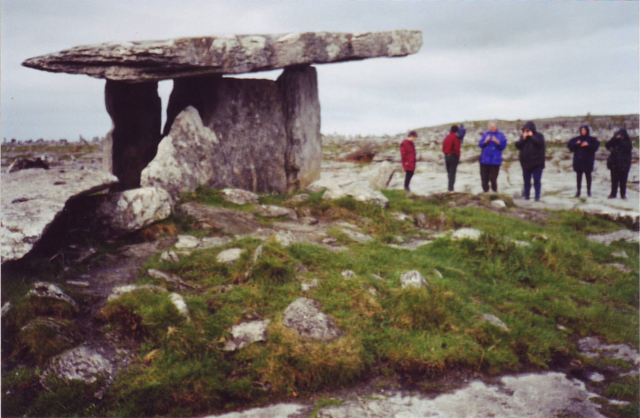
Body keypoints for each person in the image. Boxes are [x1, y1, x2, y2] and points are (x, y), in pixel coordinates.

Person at [515, 121, 546, 201]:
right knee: (526, 181)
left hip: (537, 163)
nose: (526, 132)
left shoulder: (539, 136)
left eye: (527, 130)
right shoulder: (523, 137)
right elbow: (518, 146)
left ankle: (537, 197)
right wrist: (523, 139)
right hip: (526, 163)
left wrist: (532, 137)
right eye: (524, 130)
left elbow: (540, 143)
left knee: (536, 180)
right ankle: (526, 196)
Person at [567, 125, 600, 197]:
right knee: (579, 177)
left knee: (588, 176)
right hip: (579, 161)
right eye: (582, 130)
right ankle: (578, 192)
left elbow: (596, 147)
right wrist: (576, 144)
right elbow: (569, 145)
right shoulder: (577, 139)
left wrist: (588, 145)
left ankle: (589, 192)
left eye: (584, 130)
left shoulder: (592, 139)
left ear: (587, 131)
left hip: (588, 161)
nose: (583, 132)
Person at [478, 121, 507, 193]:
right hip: (485, 159)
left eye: (493, 127)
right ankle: (485, 192)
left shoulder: (501, 135)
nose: (492, 128)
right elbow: (480, 145)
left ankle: (494, 192)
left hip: (495, 160)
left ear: (496, 127)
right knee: (484, 178)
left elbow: (503, 147)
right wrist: (485, 141)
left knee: (493, 178)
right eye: (491, 127)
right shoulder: (485, 134)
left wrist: (497, 142)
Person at [605, 128, 633, 199]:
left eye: (622, 135)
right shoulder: (615, 141)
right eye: (620, 135)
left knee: (623, 180)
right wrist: (613, 139)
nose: (621, 137)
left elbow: (627, 146)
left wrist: (619, 140)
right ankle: (613, 194)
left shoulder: (628, 142)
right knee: (614, 180)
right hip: (614, 164)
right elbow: (607, 145)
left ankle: (623, 195)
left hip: (624, 164)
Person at [442, 125, 461, 192]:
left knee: (449, 173)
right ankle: (451, 189)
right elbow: (457, 148)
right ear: (457, 131)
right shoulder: (455, 138)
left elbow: (443, 147)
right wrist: (458, 157)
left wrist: (445, 153)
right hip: (453, 156)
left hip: (446, 156)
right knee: (452, 173)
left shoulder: (447, 137)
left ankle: (449, 188)